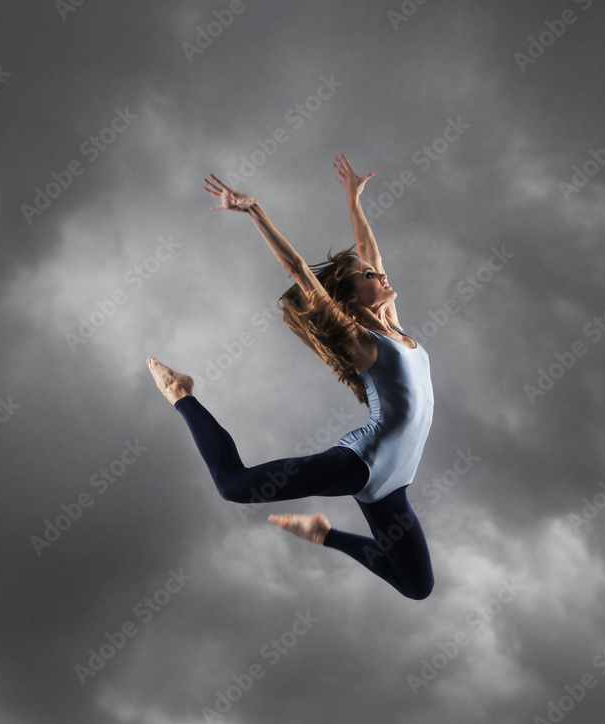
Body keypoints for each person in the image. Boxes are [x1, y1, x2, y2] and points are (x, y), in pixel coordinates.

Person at [146, 154, 435, 599]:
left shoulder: (391, 321)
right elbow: (299, 271)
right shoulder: (360, 340)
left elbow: (369, 251)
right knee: (232, 486)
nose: (380, 273)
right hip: (364, 464)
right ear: (353, 298)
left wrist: (353, 201)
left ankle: (323, 534)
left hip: (393, 485)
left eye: (375, 272)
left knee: (417, 586)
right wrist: (255, 210)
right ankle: (181, 393)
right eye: (370, 276)